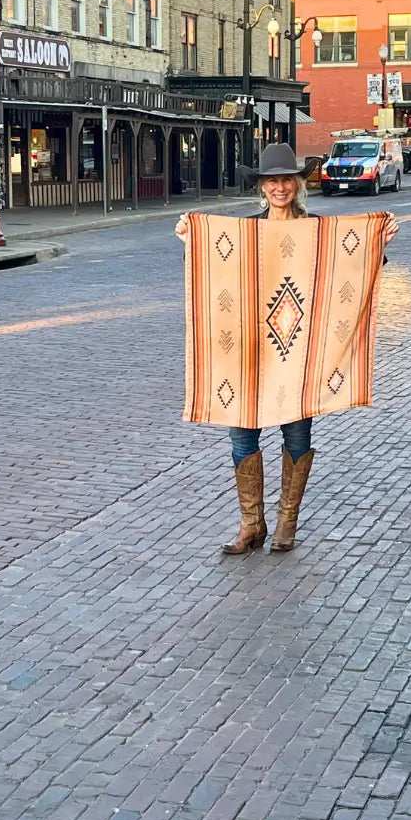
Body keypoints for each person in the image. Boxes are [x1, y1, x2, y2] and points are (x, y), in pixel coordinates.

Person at [175, 143, 323, 555]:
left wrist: (379, 243)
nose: (279, 188)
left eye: (286, 180)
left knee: (297, 433)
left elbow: (354, 263)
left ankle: (286, 523)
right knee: (242, 434)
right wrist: (192, 240)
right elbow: (215, 267)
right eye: (271, 181)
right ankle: (251, 524)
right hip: (248, 351)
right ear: (262, 187)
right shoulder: (245, 231)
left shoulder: (315, 228)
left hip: (296, 350)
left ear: (297, 185)